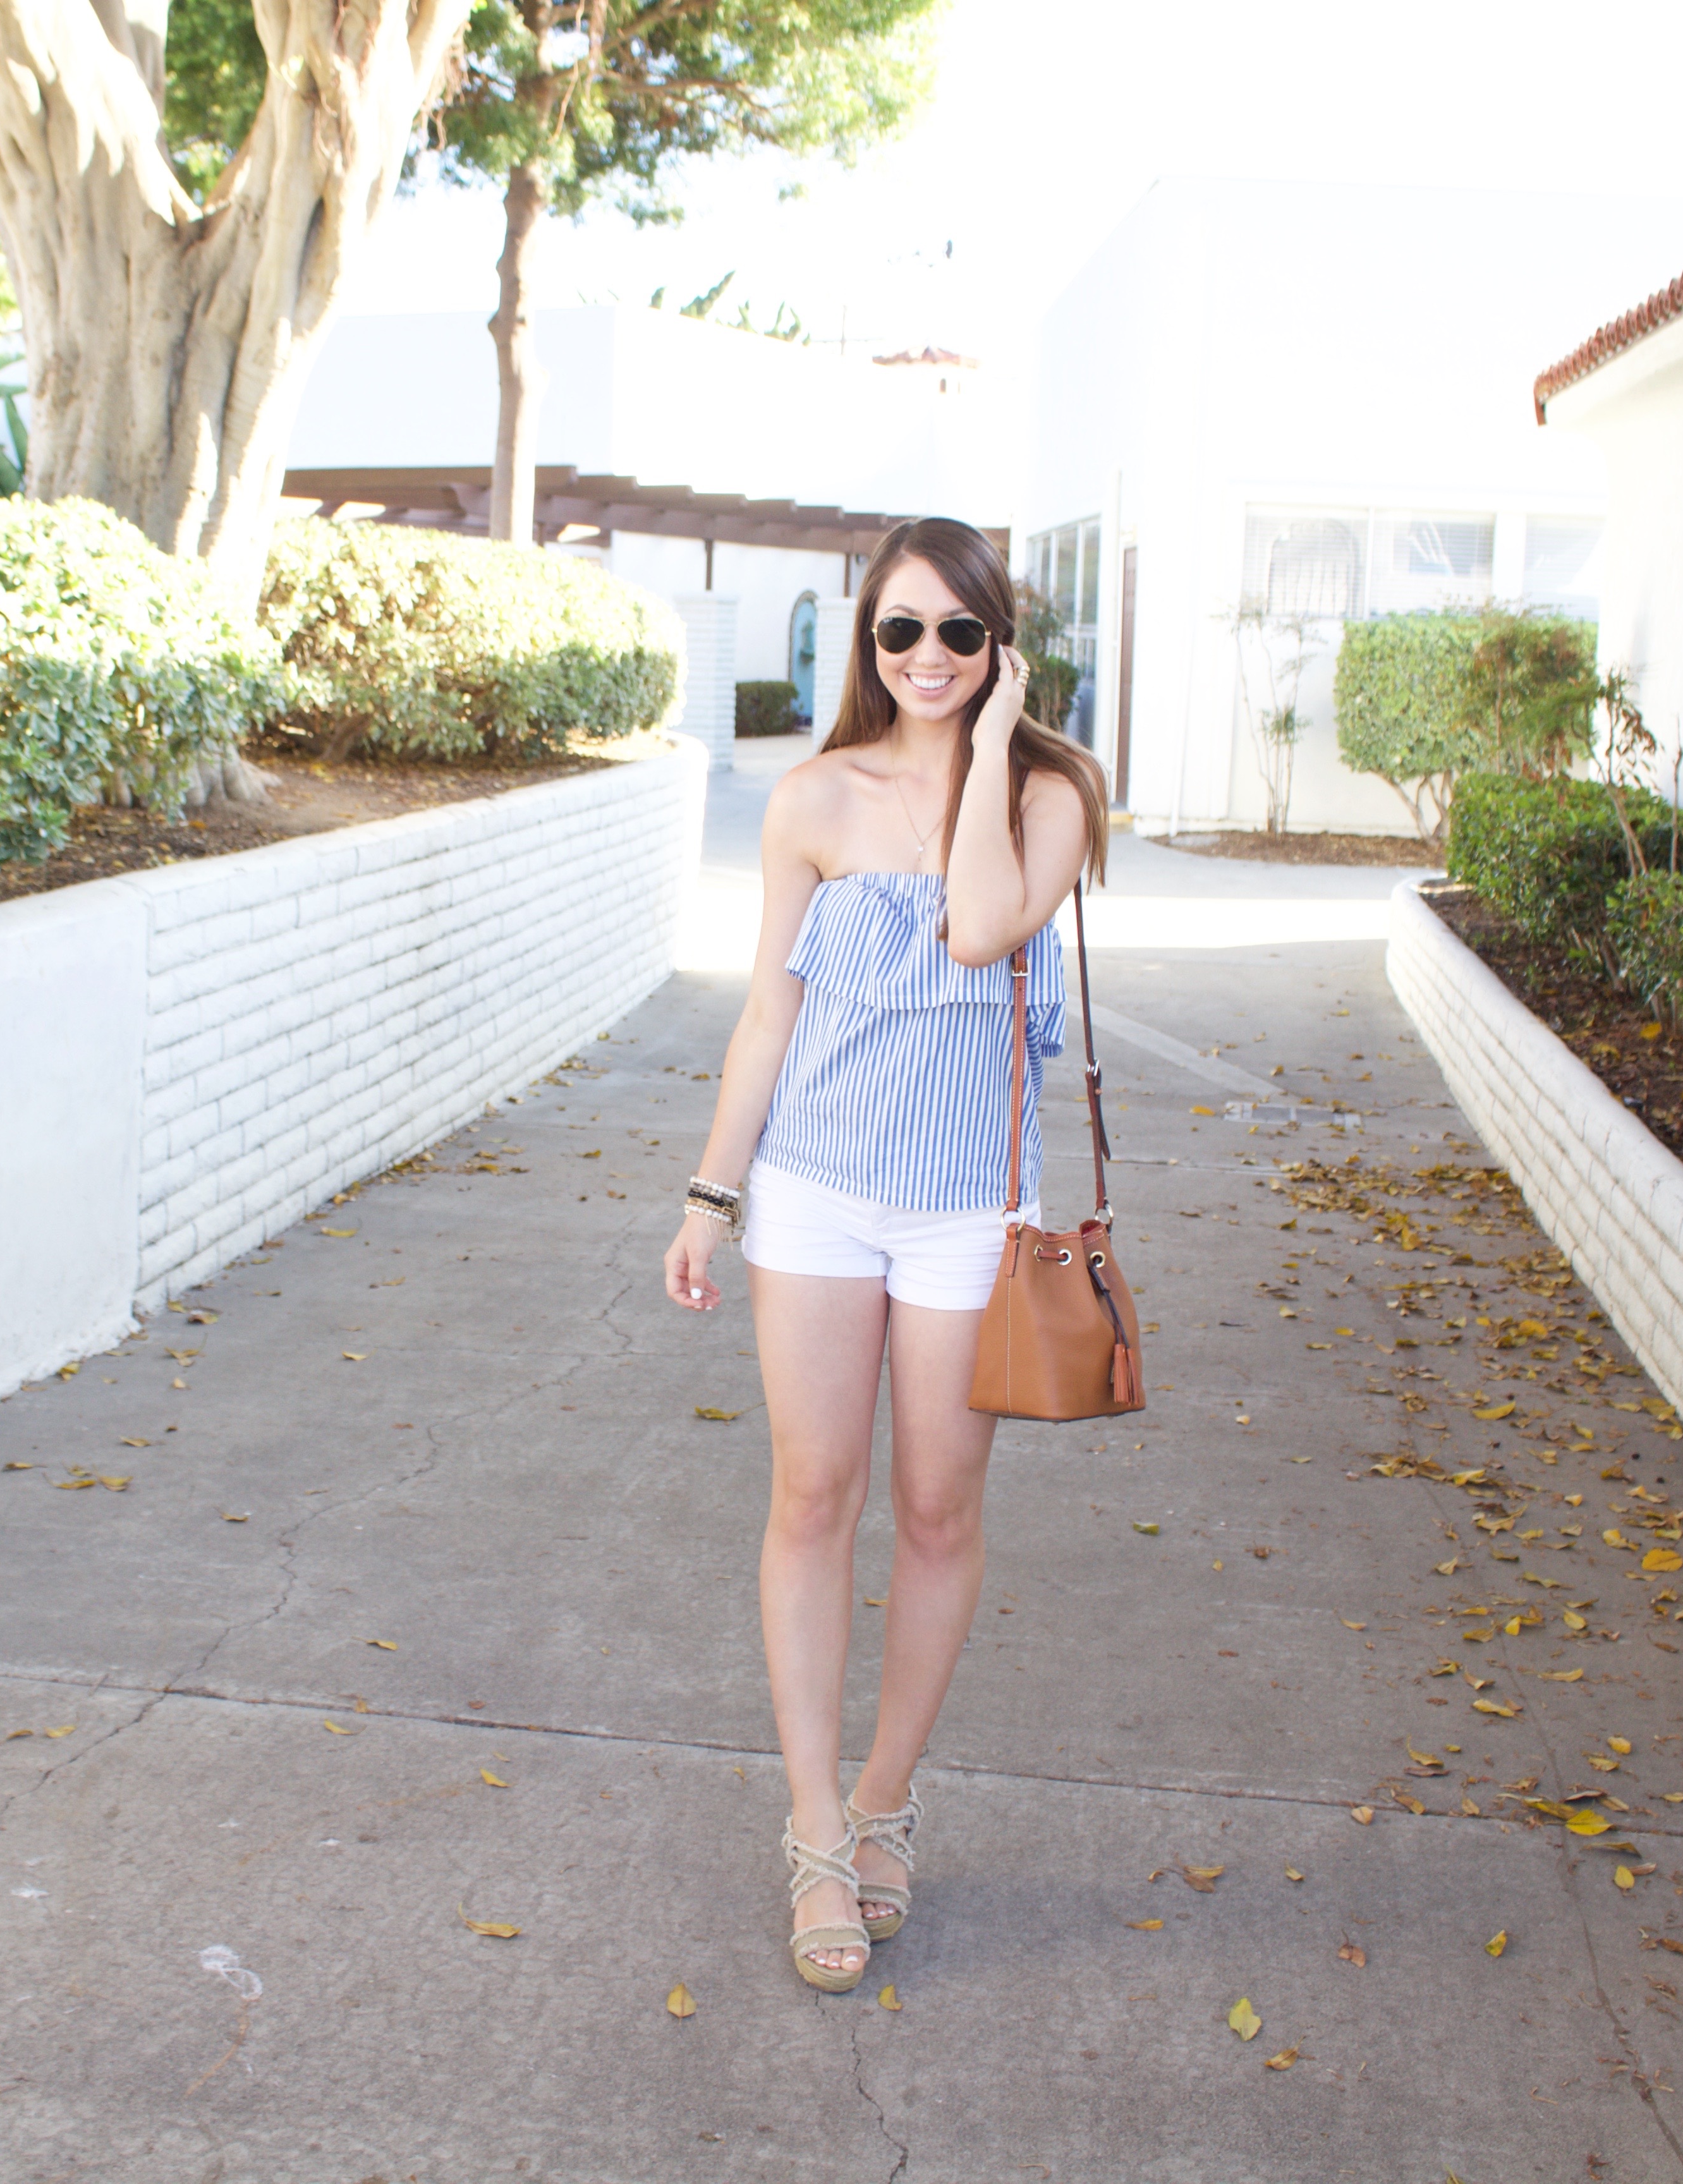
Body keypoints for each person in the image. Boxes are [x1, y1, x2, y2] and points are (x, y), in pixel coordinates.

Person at [663, 516, 1109, 1992]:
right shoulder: (811, 801)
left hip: (965, 1214)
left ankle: (884, 1802)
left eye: (958, 634)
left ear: (1002, 647)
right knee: (813, 1494)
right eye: (899, 631)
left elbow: (979, 930)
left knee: (934, 1510)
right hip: (814, 1194)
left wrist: (986, 751)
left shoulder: (1049, 799)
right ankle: (811, 1828)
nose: (925, 658)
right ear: (867, 642)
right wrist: (709, 1198)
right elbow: (768, 1020)